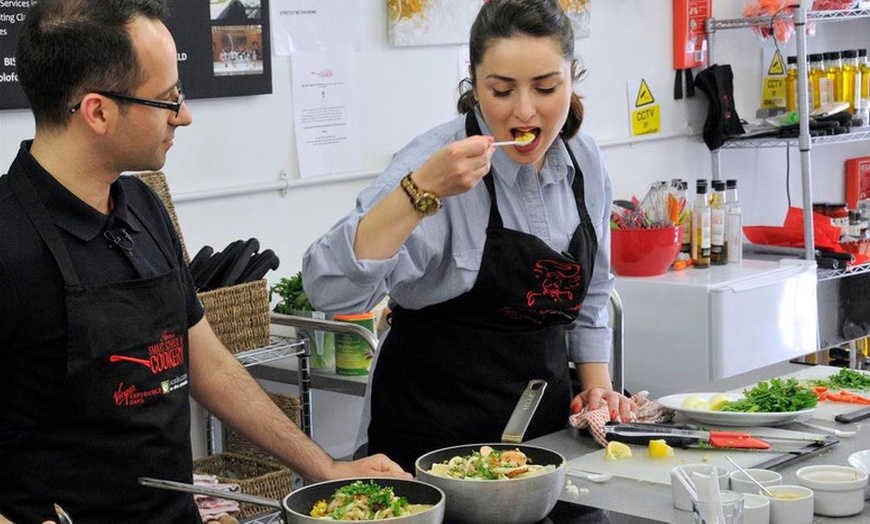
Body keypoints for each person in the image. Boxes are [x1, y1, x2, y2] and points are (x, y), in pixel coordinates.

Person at [0, 1, 406, 523]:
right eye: (168, 100)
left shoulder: (142, 207)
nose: (184, 115)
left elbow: (208, 361)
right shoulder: (10, 244)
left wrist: (324, 467)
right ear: (98, 111)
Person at [302, 0, 638, 474]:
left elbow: (595, 292)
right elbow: (329, 290)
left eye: (546, 87)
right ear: (474, 83)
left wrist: (597, 386)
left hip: (544, 446)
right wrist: (419, 193)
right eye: (501, 90)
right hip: (428, 443)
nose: (524, 110)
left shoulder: (584, 163)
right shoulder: (431, 165)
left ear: (572, 75)